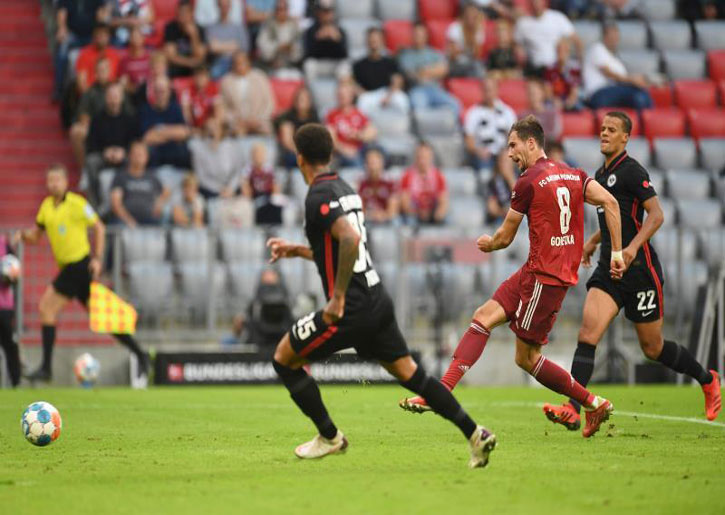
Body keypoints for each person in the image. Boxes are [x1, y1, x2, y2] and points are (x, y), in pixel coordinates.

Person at [266, 123, 496, 467]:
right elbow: (342, 249)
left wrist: (337, 298)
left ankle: (330, 437)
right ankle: (475, 433)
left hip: (351, 306)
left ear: (299, 159)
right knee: (412, 375)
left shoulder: (317, 196)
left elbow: (350, 240)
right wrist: (298, 250)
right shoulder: (345, 188)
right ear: (329, 154)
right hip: (376, 299)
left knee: (284, 358)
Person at [401, 116, 626, 439]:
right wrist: (616, 252)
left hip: (545, 279)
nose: (509, 153)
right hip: (535, 272)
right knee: (483, 316)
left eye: (513, 145)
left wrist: (488, 243)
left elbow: (504, 238)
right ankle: (441, 392)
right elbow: (611, 202)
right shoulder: (573, 174)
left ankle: (593, 402)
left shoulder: (528, 181)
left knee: (527, 358)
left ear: (531, 143)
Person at [542, 111, 722, 428]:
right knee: (587, 334)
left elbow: (656, 214)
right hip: (609, 270)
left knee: (653, 348)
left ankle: (707, 379)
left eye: (612, 130)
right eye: (602, 129)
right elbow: (616, 218)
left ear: (625, 137)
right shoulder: (600, 175)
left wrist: (632, 248)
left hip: (639, 271)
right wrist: (594, 241)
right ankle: (575, 406)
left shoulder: (632, 170)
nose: (604, 133)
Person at [13, 164, 149, 384]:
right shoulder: (46, 207)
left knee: (47, 308)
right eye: (50, 180)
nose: (53, 184)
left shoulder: (77, 203)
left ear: (66, 182)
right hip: (69, 268)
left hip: (79, 265)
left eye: (57, 180)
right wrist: (23, 235)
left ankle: (46, 368)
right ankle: (140, 353)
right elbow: (36, 236)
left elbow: (99, 227)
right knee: (102, 317)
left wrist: (98, 258)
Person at [84, 83, 139, 206]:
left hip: (124, 157)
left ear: (121, 98)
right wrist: (105, 152)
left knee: (136, 160)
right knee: (91, 162)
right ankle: (95, 204)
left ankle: (130, 201)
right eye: (110, 96)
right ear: (105, 98)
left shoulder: (130, 119)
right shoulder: (97, 119)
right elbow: (91, 144)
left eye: (116, 96)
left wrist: (124, 152)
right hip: (103, 157)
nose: (113, 100)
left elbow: (135, 143)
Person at [583, 23, 653, 111]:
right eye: (612, 36)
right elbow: (608, 73)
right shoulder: (597, 49)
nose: (614, 39)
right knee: (638, 96)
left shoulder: (616, 60)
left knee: (642, 94)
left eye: (616, 36)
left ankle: (647, 117)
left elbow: (622, 79)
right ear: (604, 36)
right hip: (598, 93)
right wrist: (633, 80)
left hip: (615, 91)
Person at [398, 23, 461, 117]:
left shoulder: (434, 53)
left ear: (426, 36)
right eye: (416, 34)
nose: (418, 37)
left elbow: (444, 70)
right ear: (412, 36)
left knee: (455, 105)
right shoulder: (406, 55)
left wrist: (424, 71)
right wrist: (433, 70)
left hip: (435, 89)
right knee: (419, 109)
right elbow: (411, 74)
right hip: (417, 90)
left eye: (421, 35)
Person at [53, 0, 107, 100]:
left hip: (92, 35)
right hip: (72, 34)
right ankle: (59, 88)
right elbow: (62, 14)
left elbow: (100, 15)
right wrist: (62, 28)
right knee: (62, 52)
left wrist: (100, 32)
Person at [514, 0, 581, 78]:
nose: (536, 4)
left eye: (538, 1)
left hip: (557, 69)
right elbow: (516, 45)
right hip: (534, 69)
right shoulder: (523, 23)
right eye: (534, 2)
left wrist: (579, 63)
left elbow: (577, 41)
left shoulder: (558, 18)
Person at [463, 78, 517, 174]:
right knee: (485, 173)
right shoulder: (474, 113)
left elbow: (515, 139)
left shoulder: (507, 112)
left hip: (503, 154)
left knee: (510, 166)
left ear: (497, 90)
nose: (488, 93)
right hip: (483, 155)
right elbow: (469, 141)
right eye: (485, 90)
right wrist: (478, 151)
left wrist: (507, 152)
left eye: (490, 90)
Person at [110, 141, 171, 226]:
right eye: (136, 154)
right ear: (129, 156)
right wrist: (129, 221)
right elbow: (116, 204)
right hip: (126, 221)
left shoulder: (152, 176)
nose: (138, 157)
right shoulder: (121, 176)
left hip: (150, 219)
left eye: (141, 154)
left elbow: (166, 191)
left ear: (147, 157)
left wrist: (159, 203)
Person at [353, 28, 409, 117]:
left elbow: (397, 80)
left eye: (376, 39)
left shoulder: (390, 61)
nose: (373, 41)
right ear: (367, 41)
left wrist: (388, 96)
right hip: (369, 95)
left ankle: (402, 123)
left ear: (382, 41)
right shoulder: (359, 64)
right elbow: (353, 83)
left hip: (387, 93)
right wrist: (361, 92)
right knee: (362, 101)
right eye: (371, 39)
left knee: (401, 98)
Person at [139, 75, 192, 168]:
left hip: (176, 160)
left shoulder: (175, 108)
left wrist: (158, 130)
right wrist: (173, 134)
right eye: (157, 91)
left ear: (169, 92)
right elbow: (147, 138)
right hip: (155, 162)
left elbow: (184, 132)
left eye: (163, 91)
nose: (160, 94)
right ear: (153, 92)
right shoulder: (146, 110)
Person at [221, 51, 276, 136]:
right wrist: (236, 120)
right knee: (237, 132)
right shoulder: (226, 81)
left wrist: (258, 119)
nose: (240, 66)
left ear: (248, 62)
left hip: (259, 121)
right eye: (236, 63)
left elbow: (269, 103)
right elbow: (223, 107)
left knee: (265, 130)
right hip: (237, 122)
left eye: (242, 62)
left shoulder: (260, 77)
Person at [325, 81, 378, 168]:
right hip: (342, 153)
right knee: (355, 160)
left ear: (351, 96)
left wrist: (359, 135)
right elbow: (331, 139)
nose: (342, 97)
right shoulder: (331, 115)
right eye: (340, 95)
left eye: (345, 94)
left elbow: (372, 131)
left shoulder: (359, 113)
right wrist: (345, 149)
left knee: (378, 151)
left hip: (361, 148)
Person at [189, 118, 245, 198]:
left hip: (232, 187)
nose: (212, 132)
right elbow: (201, 176)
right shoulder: (198, 149)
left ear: (221, 130)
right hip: (211, 190)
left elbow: (238, 170)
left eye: (215, 128)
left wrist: (231, 188)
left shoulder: (232, 145)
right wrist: (219, 189)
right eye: (209, 129)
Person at [399, 142, 448, 225]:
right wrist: (417, 212)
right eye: (420, 157)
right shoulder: (407, 176)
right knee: (410, 221)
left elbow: (443, 200)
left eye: (425, 157)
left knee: (446, 220)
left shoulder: (438, 176)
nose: (422, 161)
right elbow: (405, 203)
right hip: (415, 213)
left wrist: (438, 214)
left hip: (432, 211)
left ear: (431, 157)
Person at [275, 86, 320, 168]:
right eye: (298, 98)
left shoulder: (315, 118)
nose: (300, 101)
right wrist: (302, 153)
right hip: (293, 154)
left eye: (303, 99)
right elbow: (287, 142)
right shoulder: (287, 117)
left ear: (309, 101)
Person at [302, 4, 349, 80]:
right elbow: (307, 54)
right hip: (318, 63)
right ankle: (310, 87)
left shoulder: (340, 31)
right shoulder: (311, 31)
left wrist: (337, 40)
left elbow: (345, 54)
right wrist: (318, 39)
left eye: (329, 12)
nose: (327, 15)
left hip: (335, 64)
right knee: (309, 64)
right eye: (324, 12)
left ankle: (343, 87)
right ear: (319, 14)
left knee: (345, 65)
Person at [257, 0, 303, 76]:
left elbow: (300, 48)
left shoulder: (294, 26)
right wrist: (277, 47)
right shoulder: (268, 25)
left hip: (291, 65)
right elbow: (262, 46)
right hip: (271, 65)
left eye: (284, 9)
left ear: (287, 10)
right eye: (278, 9)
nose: (281, 12)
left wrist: (290, 48)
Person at [241, 143, 283, 225]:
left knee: (276, 204)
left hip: (268, 196)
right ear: (252, 156)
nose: (259, 156)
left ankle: (276, 227)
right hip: (255, 197)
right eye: (256, 154)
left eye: (261, 154)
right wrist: (250, 198)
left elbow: (276, 187)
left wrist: (273, 197)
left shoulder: (270, 169)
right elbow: (245, 188)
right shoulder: (247, 170)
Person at [206, 0, 249, 79]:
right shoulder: (211, 27)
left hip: (236, 62)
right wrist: (234, 45)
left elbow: (244, 47)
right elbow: (213, 47)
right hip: (219, 63)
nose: (224, 8)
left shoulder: (239, 27)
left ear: (230, 6)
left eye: (226, 5)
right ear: (218, 6)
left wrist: (220, 45)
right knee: (215, 72)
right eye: (222, 5)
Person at [164, 0, 208, 78]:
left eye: (186, 13)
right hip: (178, 66)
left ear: (191, 14)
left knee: (203, 69)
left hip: (195, 67)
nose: (183, 16)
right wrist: (190, 63)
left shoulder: (200, 29)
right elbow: (171, 56)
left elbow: (200, 56)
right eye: (181, 13)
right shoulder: (171, 28)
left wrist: (194, 36)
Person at [75, 23, 121, 93]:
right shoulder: (84, 54)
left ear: (109, 37)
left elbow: (118, 80)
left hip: (111, 94)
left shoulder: (115, 54)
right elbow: (81, 83)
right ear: (93, 37)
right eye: (98, 34)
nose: (101, 38)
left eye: (104, 35)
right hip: (91, 94)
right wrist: (90, 97)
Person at [0, 233, 21, 387]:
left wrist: (10, 277)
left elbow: (15, 272)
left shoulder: (3, 242)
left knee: (11, 345)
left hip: (5, 306)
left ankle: (15, 382)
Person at [358, 148, 399, 224]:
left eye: (374, 162)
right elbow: (360, 208)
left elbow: (393, 210)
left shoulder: (390, 182)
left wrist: (383, 215)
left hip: (386, 219)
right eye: (369, 162)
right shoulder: (362, 183)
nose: (371, 166)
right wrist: (371, 215)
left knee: (395, 221)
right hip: (368, 219)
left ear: (381, 163)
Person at [446, 2, 486, 78]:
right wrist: (467, 42)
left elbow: (477, 56)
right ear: (464, 16)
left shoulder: (478, 29)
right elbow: (453, 55)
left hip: (471, 64)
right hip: (455, 63)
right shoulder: (455, 27)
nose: (471, 18)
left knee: (480, 70)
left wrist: (473, 35)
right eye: (469, 15)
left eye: (474, 16)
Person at [544, 37, 583, 112]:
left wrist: (568, 103)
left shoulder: (574, 68)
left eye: (564, 50)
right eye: (559, 50)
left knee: (577, 106)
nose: (561, 53)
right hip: (555, 100)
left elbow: (574, 92)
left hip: (569, 100)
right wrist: (554, 100)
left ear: (568, 52)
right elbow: (547, 90)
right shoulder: (550, 69)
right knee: (546, 106)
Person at [179, 66, 222, 130]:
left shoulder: (214, 89)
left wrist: (215, 122)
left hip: (209, 123)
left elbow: (218, 110)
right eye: (198, 76)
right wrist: (191, 127)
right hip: (194, 125)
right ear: (194, 77)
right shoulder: (187, 91)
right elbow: (186, 113)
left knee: (215, 121)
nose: (200, 79)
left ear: (208, 78)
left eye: (203, 76)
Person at [120, 27, 152, 96]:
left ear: (143, 38)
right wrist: (132, 89)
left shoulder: (150, 56)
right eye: (133, 37)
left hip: (150, 91)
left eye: (138, 37)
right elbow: (124, 80)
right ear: (130, 39)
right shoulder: (125, 59)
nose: (135, 40)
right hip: (132, 93)